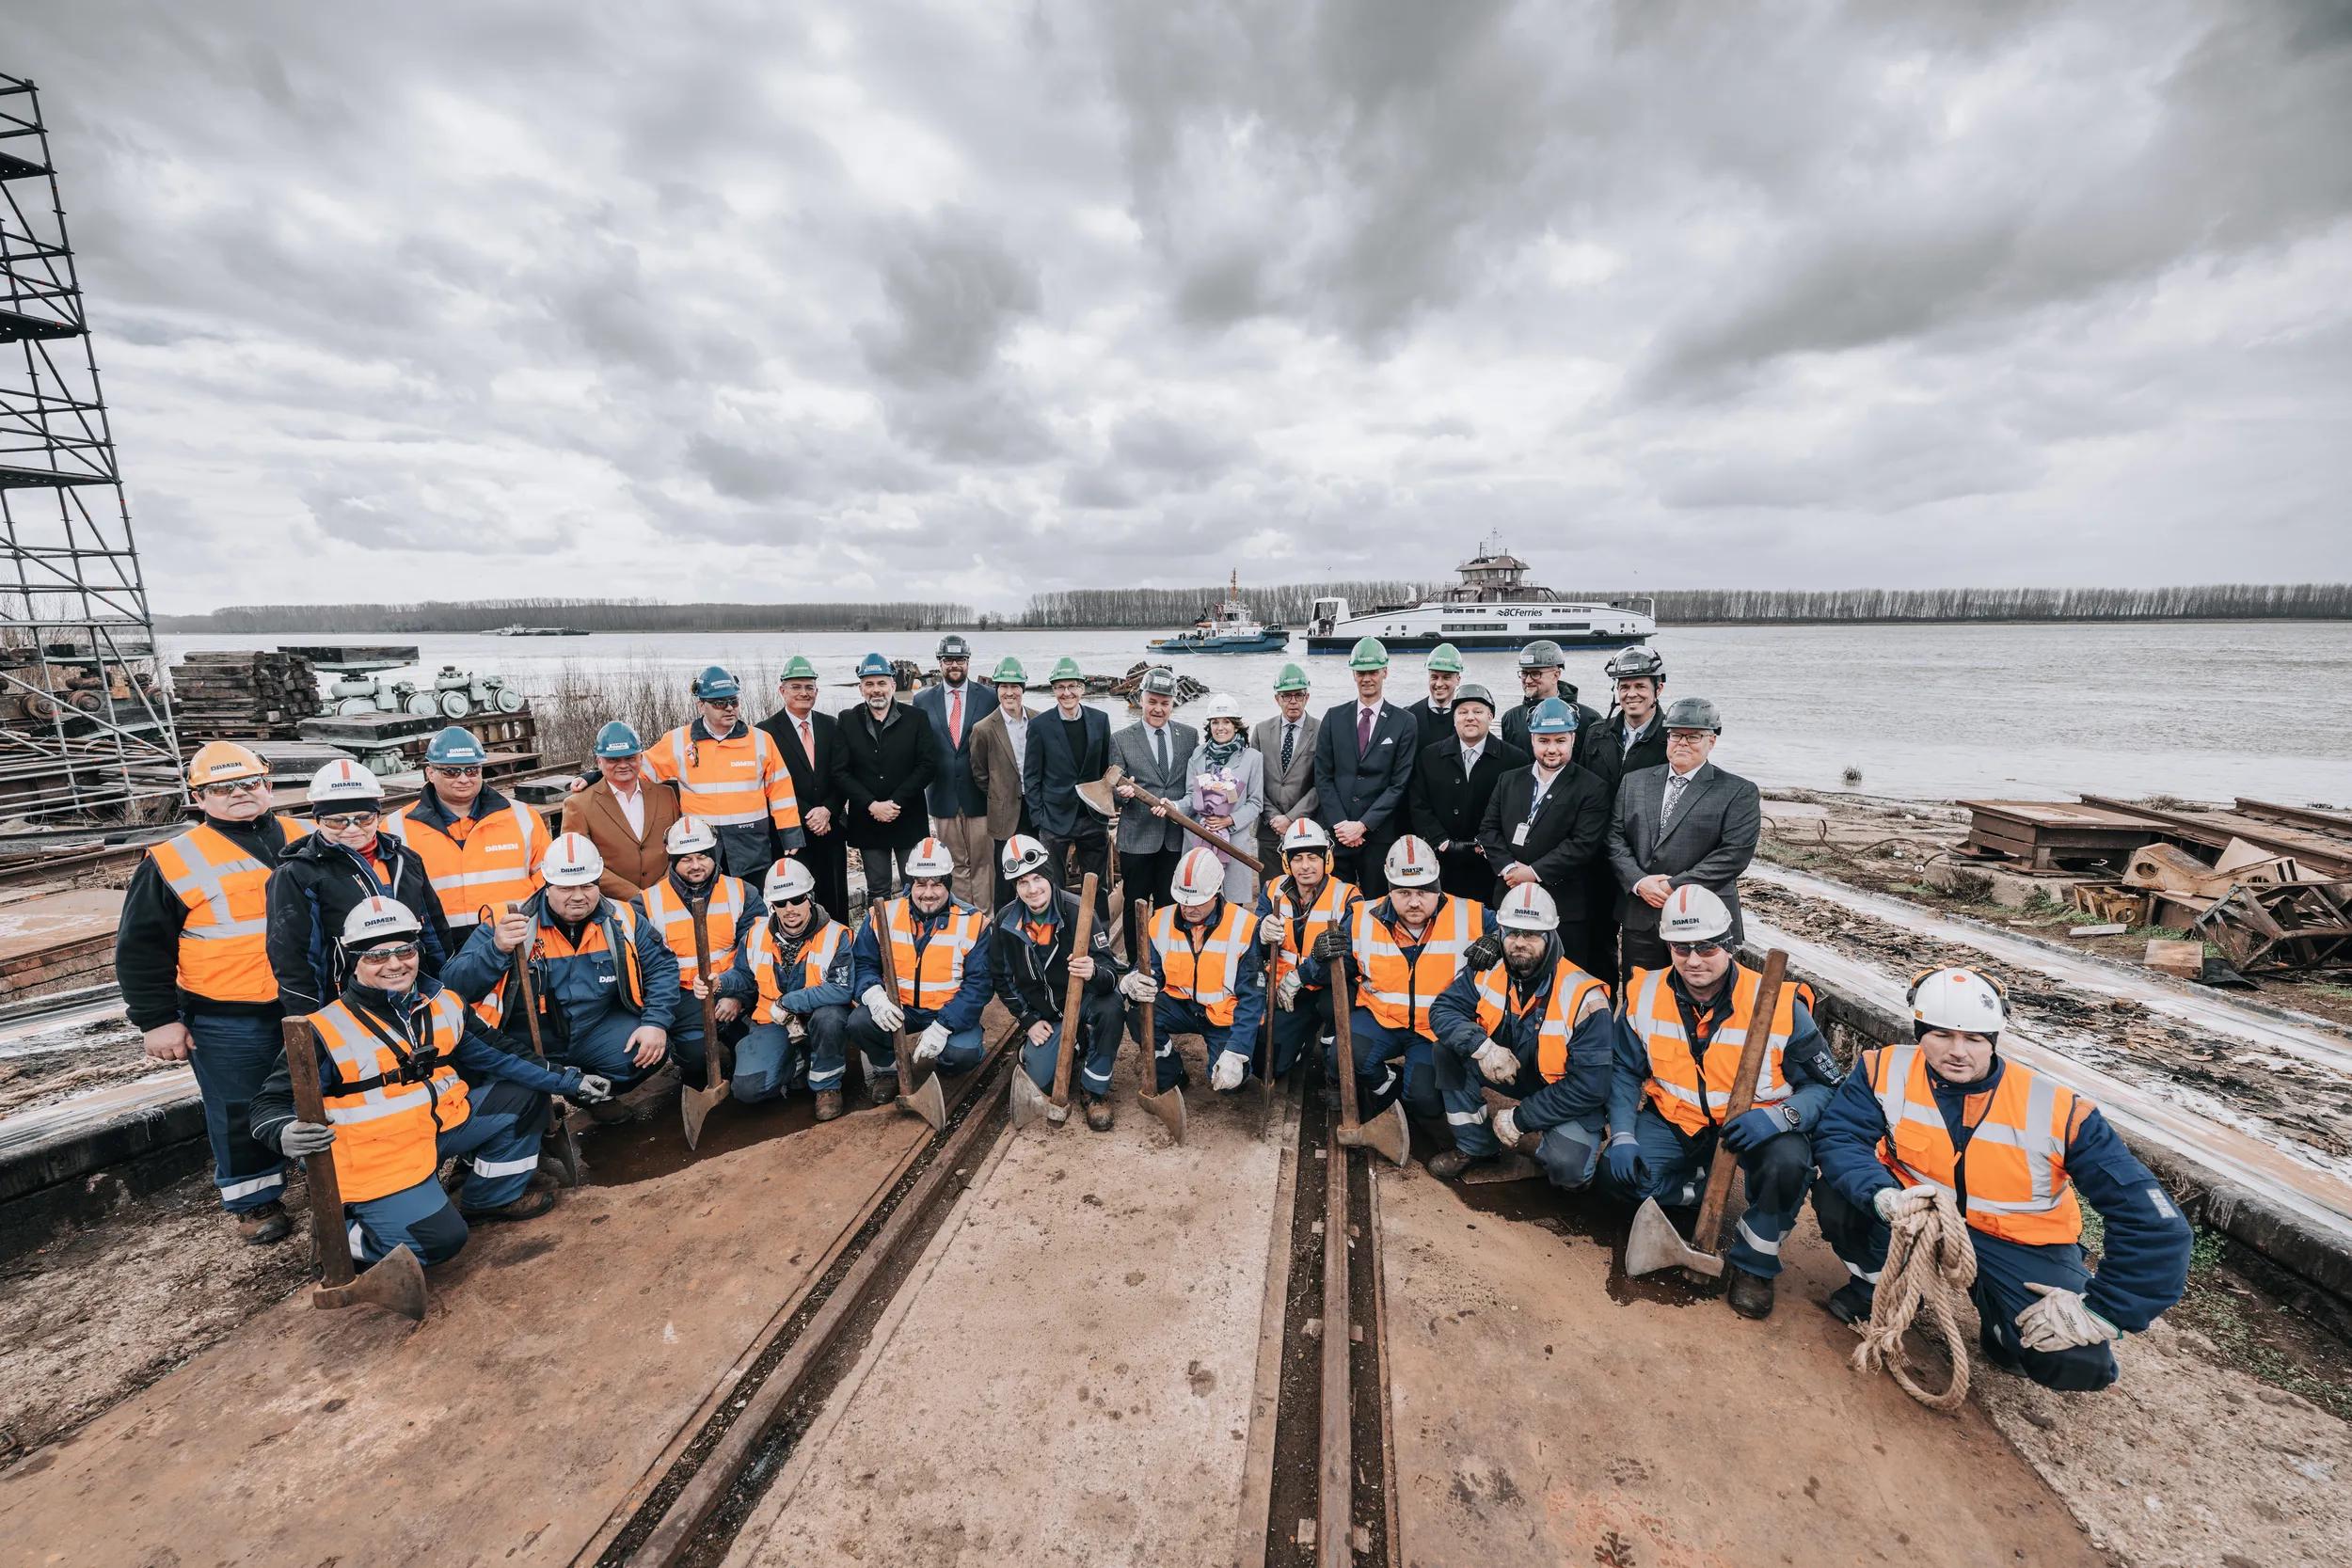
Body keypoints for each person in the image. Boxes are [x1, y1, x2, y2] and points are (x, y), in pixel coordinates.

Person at [1811, 967, 2192, 1391]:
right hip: (1916, 1218)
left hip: (2019, 1243)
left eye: (1974, 1038)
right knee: (1836, 1193)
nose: (1958, 1051)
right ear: (1920, 1031)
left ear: (1993, 1038)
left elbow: (2155, 1223)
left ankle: (2001, 1331)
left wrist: (2105, 1311)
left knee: (2076, 1361)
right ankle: (1878, 1288)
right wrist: (1881, 1196)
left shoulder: (2057, 1108)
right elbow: (1840, 1138)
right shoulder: (1883, 1069)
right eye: (1941, 1035)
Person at [250, 897, 607, 1265]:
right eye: (376, 956)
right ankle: (341, 1237)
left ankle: (490, 1199)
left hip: (442, 1125)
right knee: (440, 1242)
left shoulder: (444, 1003)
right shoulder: (321, 1030)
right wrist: (284, 1131)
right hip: (379, 1155)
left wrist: (570, 1081)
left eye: (405, 951)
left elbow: (502, 1054)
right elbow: (269, 1105)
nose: (394, 964)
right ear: (355, 959)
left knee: (526, 1094)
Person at [1603, 884, 1841, 1320]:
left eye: (1707, 947)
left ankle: (1754, 1263)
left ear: (1730, 945)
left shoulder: (1780, 1004)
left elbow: (1827, 1088)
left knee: (1788, 1165)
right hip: (1678, 1119)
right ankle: (1695, 1188)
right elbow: (1624, 1071)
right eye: (1681, 948)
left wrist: (1780, 1118)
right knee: (1616, 1178)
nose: (1694, 960)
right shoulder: (1645, 992)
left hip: (1755, 1127)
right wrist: (1621, 1135)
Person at [114, 742, 310, 1244]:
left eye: (249, 783)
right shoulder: (173, 860)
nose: (239, 794)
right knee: (237, 1105)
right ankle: (255, 1199)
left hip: (311, 1000)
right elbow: (141, 947)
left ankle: (339, 1175)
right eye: (223, 788)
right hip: (228, 1013)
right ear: (199, 796)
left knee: (324, 1089)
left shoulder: (306, 836)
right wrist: (157, 1019)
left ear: (268, 784)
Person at [442, 832, 678, 1120]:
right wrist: (496, 949)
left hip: (594, 1029)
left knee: (649, 1050)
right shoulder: (509, 922)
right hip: (524, 1040)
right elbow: (452, 987)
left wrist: (655, 1022)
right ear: (546, 884)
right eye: (566, 887)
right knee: (510, 1098)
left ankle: (592, 1092)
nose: (578, 896)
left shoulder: (623, 919)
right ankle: (530, 1116)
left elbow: (662, 968)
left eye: (588, 885)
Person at [1426, 883, 1613, 1183]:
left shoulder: (1585, 998)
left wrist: (1520, 1118)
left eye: (1531, 934)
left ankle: (1553, 1157)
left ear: (1551, 935)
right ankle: (1475, 1146)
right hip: (1511, 1072)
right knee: (1446, 1050)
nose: (1519, 942)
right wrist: (1483, 1048)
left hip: (1561, 1090)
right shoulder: (1488, 969)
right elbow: (1442, 1009)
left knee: (1570, 1169)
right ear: (1499, 932)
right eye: (1512, 933)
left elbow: (1592, 1087)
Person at [1299, 834, 1488, 1126]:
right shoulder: (1363, 918)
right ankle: (1389, 1091)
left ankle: (1413, 1094)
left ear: (1438, 885)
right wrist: (1319, 955)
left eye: (1423, 892)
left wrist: (1498, 942)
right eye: (1403, 893)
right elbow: (1330, 975)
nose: (1414, 902)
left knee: (1426, 1103)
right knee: (1343, 1057)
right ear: (1390, 890)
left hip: (1435, 1028)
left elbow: (1521, 937)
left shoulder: (1471, 915)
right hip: (1380, 1019)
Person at [267, 759, 451, 1018]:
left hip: (412, 996)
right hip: (345, 1005)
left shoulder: (405, 861)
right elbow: (294, 960)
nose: (352, 829)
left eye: (364, 818)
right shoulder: (297, 875)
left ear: (378, 815)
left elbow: (433, 931)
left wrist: (443, 987)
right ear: (317, 819)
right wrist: (311, 1020)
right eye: (337, 821)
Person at [1607, 696, 1760, 980]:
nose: (1683, 743)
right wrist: (1640, 883)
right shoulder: (1635, 782)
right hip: (1642, 917)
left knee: (1704, 1003)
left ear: (1711, 741)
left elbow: (1734, 855)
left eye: (1694, 737)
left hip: (1706, 921)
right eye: (1676, 735)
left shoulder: (1738, 791)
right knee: (1640, 997)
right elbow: (1615, 838)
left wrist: (1670, 887)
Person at [843, 836, 993, 1105]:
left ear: (948, 882)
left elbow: (979, 985)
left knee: (962, 1055)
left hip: (948, 1010)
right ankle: (889, 1069)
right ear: (911, 882)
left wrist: (944, 1025)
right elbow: (864, 963)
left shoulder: (973, 922)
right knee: (859, 1022)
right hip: (900, 1009)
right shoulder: (883, 915)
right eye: (921, 884)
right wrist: (874, 996)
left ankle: (944, 1063)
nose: (928, 892)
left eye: (937, 884)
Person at [993, 835, 1126, 1130]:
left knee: (1112, 1006)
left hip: (1084, 1002)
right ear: (1015, 887)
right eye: (1022, 882)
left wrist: (1093, 971)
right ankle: (1073, 1042)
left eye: (1037, 878)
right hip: (1046, 1013)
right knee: (1040, 1078)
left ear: (1050, 876)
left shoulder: (1079, 911)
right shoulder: (1005, 920)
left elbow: (1109, 975)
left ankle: (1095, 1089)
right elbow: (1000, 977)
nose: (1032, 889)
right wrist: (1028, 1020)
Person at [1478, 697, 1613, 974]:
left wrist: (1533, 872)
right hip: (1510, 896)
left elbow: (1583, 845)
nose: (1552, 749)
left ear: (1573, 739)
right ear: (1532, 740)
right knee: (1509, 976)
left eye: (1560, 741)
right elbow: (1488, 830)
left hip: (1564, 905)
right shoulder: (1509, 780)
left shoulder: (1593, 787)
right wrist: (1508, 868)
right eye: (1543, 741)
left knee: (1565, 978)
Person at [1121, 846, 1265, 1096]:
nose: (1189, 909)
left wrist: (1237, 1052)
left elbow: (1252, 997)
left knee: (1231, 1085)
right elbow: (1150, 970)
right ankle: (1171, 1073)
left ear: (1217, 891)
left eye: (1198, 902)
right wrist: (1134, 981)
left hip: (1222, 1015)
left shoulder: (1243, 926)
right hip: (1180, 1005)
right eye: (1183, 901)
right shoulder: (1160, 921)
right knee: (1139, 1015)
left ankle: (1236, 1058)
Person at [638, 816, 764, 1096]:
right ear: (672, 860)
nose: (696, 865)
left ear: (713, 854)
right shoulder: (646, 903)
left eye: (702, 857)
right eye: (686, 859)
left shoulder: (743, 892)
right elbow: (646, 967)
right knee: (696, 1058)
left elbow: (757, 951)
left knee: (754, 1054)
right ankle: (691, 1054)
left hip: (735, 989)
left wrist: (738, 996)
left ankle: (736, 1047)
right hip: (682, 997)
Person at [721, 858, 855, 1118]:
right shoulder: (755, 935)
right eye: (781, 903)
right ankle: (797, 1061)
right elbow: (743, 976)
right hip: (773, 1022)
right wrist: (722, 984)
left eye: (797, 899)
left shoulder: (835, 935)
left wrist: (789, 1002)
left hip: (817, 1017)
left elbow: (841, 989)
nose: (789, 908)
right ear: (773, 905)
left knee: (830, 1017)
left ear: (810, 898)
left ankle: (827, 1085)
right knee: (748, 1090)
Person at [387, 725, 548, 941]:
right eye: (451, 771)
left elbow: (547, 882)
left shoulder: (523, 817)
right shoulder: (395, 827)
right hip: (437, 945)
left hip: (516, 939)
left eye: (471, 770)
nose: (463, 779)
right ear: (430, 773)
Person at [644, 665, 803, 881]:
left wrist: (790, 834)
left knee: (752, 906)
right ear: (701, 705)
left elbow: (781, 790)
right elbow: (636, 771)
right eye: (719, 703)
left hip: (751, 846)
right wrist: (593, 778)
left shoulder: (760, 740)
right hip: (701, 849)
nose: (729, 708)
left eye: (733, 701)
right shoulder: (678, 741)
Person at [1575, 647, 1670, 988]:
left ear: (1658, 688)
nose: (1631, 694)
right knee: (1597, 941)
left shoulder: (1670, 739)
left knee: (1644, 950)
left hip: (1645, 860)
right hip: (1598, 857)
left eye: (1640, 686)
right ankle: (1601, 1012)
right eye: (1624, 686)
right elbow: (1583, 790)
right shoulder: (1598, 734)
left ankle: (1642, 1018)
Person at [1311, 637, 1419, 896]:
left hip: (1378, 836)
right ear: (1353, 674)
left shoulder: (1404, 722)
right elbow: (1323, 776)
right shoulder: (1334, 717)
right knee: (1336, 905)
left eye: (1372, 672)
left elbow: (1398, 783)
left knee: (1377, 905)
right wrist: (1341, 825)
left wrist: (1363, 825)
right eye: (1361, 673)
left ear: (1385, 672)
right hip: (1338, 835)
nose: (1367, 678)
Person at [1253, 818, 1359, 1081]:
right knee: (1266, 1067)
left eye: (1313, 857)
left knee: (1334, 1007)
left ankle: (1333, 1059)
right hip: (1287, 991)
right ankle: (1302, 1041)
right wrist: (1261, 933)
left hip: (1330, 987)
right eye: (1297, 858)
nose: (1305, 866)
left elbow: (1348, 959)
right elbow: (1254, 947)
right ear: (1287, 862)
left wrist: (1303, 975)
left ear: (1327, 858)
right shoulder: (1272, 890)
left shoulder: (1347, 896)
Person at [835, 651, 937, 907]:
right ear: (860, 688)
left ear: (893, 685)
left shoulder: (916, 718)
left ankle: (914, 941)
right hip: (868, 821)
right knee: (877, 890)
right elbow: (840, 771)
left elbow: (927, 766)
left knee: (914, 885)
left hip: (907, 817)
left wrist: (895, 802)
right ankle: (880, 942)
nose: (876, 690)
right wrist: (871, 805)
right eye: (869, 684)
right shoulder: (848, 720)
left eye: (881, 683)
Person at [1110, 667, 1198, 962]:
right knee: (1135, 903)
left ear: (1174, 702)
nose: (1158, 708)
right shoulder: (1121, 739)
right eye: (1153, 701)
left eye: (1165, 702)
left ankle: (1166, 961)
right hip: (1137, 838)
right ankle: (1136, 962)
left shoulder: (1189, 736)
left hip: (1174, 838)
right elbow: (1110, 789)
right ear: (1140, 698)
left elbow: (1193, 784)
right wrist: (1120, 794)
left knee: (1170, 903)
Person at [1407, 682, 1524, 904]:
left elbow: (1516, 810)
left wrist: (1491, 844)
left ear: (1491, 716)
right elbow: (1418, 803)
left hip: (1491, 865)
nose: (1470, 717)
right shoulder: (1430, 756)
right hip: (1442, 861)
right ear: (1454, 718)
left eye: (1478, 711)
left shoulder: (1514, 760)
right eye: (1462, 712)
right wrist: (1439, 839)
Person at [758, 654, 850, 921]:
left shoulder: (831, 725)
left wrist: (828, 811)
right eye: (796, 686)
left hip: (830, 829)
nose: (804, 693)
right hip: (791, 833)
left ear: (817, 690)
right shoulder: (766, 733)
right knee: (796, 901)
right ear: (782, 690)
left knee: (835, 901)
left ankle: (839, 951)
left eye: (809, 687)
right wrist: (810, 814)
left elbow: (842, 775)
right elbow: (768, 784)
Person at [1023, 655, 1113, 926]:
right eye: (1060, 687)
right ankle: (1062, 937)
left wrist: (1108, 809)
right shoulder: (1040, 726)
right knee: (1054, 885)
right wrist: (1039, 818)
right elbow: (1031, 776)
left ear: (1082, 688)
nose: (1067, 693)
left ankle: (1100, 942)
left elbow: (1105, 770)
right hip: (1054, 819)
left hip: (1092, 817)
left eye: (1072, 686)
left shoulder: (1100, 720)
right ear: (1053, 690)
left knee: (1096, 885)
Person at [912, 633, 992, 908]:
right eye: (948, 660)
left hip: (979, 795)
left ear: (968, 662)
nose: (954, 665)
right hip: (942, 795)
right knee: (955, 862)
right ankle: (962, 918)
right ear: (939, 663)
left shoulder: (989, 697)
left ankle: (984, 921)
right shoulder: (922, 700)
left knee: (983, 863)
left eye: (960, 659)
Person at [560, 720, 679, 898]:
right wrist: (636, 896)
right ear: (599, 762)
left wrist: (661, 891)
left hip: (666, 896)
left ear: (641, 757)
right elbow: (580, 861)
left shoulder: (665, 795)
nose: (623, 765)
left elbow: (678, 847)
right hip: (613, 905)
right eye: (613, 760)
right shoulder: (578, 805)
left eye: (630, 758)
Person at [966, 655, 1037, 911]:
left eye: (1014, 687)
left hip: (1036, 810)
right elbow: (980, 774)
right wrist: (1001, 793)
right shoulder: (983, 729)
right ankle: (1005, 927)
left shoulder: (1039, 720)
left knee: (1037, 869)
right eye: (1004, 687)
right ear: (997, 690)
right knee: (1007, 874)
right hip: (1004, 813)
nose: (1009, 693)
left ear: (1023, 689)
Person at [1180, 691, 1263, 905]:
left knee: (1233, 905)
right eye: (1215, 722)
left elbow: (1255, 803)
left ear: (1237, 726)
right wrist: (1174, 807)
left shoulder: (1253, 758)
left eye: (1226, 722)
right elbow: (1190, 796)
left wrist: (1228, 821)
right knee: (1201, 898)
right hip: (1200, 837)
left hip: (1234, 843)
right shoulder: (1197, 755)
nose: (1220, 727)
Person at [1250, 662, 1320, 871]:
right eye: (1286, 696)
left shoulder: (1321, 729)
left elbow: (1322, 782)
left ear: (1307, 697)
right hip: (1269, 830)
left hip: (1306, 828)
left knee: (1305, 890)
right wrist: (1273, 818)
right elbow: (1255, 781)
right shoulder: (1261, 731)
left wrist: (1291, 818)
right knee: (1271, 890)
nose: (1292, 702)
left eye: (1298, 695)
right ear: (1277, 699)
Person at [1499, 640, 1600, 752]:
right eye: (1524, 673)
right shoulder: (1510, 719)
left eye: (1535, 674)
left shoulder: (1588, 719)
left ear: (1556, 675)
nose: (1527, 680)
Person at [1403, 642, 1465, 751]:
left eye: (1446, 677)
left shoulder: (1468, 718)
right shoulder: (1409, 716)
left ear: (1458, 679)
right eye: (1434, 677)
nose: (1439, 684)